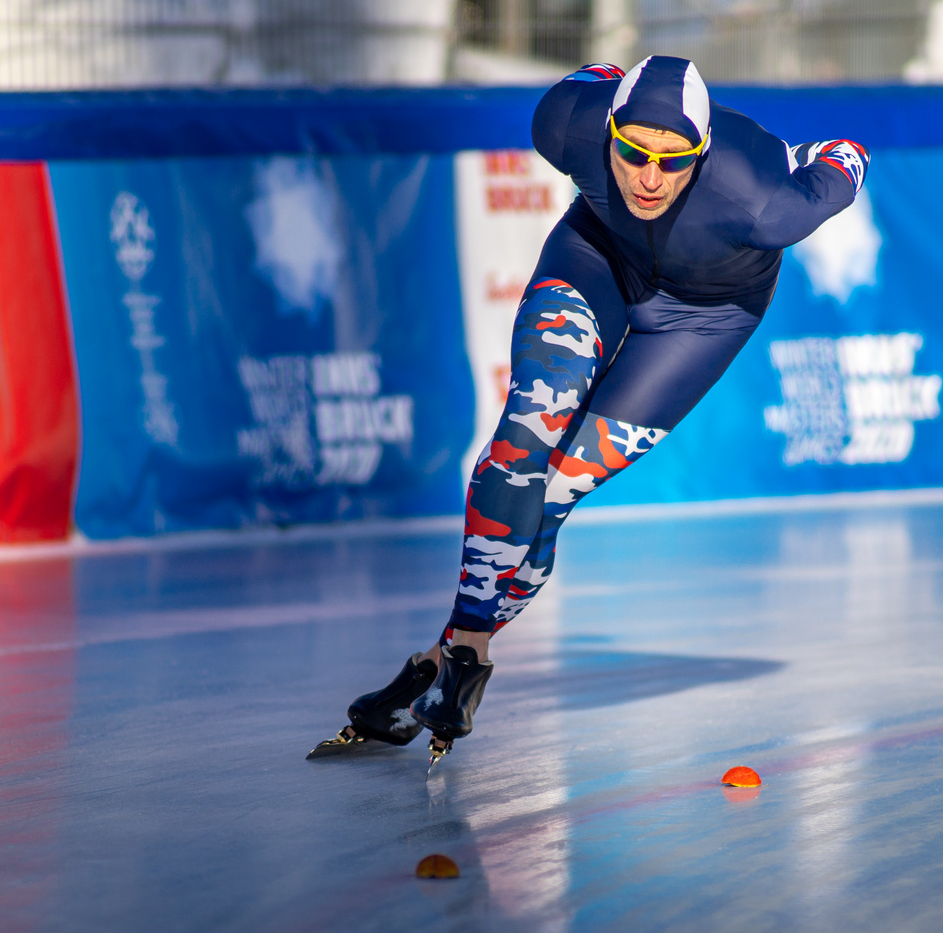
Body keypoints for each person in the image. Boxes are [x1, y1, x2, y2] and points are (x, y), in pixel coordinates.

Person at [308, 56, 866, 769]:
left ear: (702, 153)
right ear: (607, 130)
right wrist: (606, 75)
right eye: (633, 151)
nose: (649, 178)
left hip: (703, 315)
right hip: (597, 256)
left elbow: (847, 153)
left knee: (556, 490)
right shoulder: (564, 123)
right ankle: (469, 655)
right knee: (528, 432)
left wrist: (814, 156)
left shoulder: (764, 201)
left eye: (674, 161)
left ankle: (442, 656)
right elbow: (593, 73)